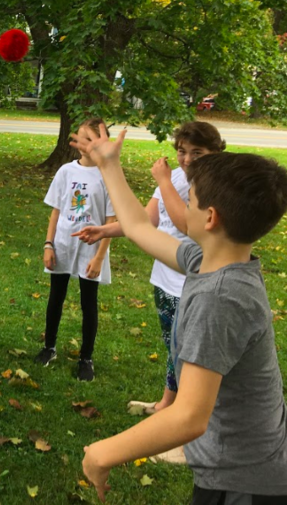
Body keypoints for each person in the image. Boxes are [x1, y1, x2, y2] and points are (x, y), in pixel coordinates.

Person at [76, 125, 287, 504]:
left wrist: (103, 453)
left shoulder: (220, 298)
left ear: (209, 218)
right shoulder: (207, 262)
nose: (183, 206)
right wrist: (109, 165)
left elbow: (189, 416)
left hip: (245, 481)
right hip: (231, 467)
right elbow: (140, 227)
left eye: (189, 200)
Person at [75, 122, 225, 412]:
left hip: (193, 282)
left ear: (216, 151)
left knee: (188, 355)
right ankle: (167, 404)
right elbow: (148, 220)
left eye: (198, 152)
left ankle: (186, 417)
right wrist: (105, 231)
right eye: (182, 151)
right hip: (165, 277)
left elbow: (187, 224)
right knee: (173, 349)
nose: (188, 159)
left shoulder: (214, 183)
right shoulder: (177, 177)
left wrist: (163, 180)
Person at [34, 118, 117, 382]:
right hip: (62, 244)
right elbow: (56, 211)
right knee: (55, 297)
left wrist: (99, 257)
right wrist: (48, 244)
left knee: (88, 303)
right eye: (80, 137)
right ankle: (49, 348)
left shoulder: (107, 175)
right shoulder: (66, 171)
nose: (83, 144)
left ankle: (86, 359)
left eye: (89, 139)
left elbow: (110, 221)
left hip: (90, 248)